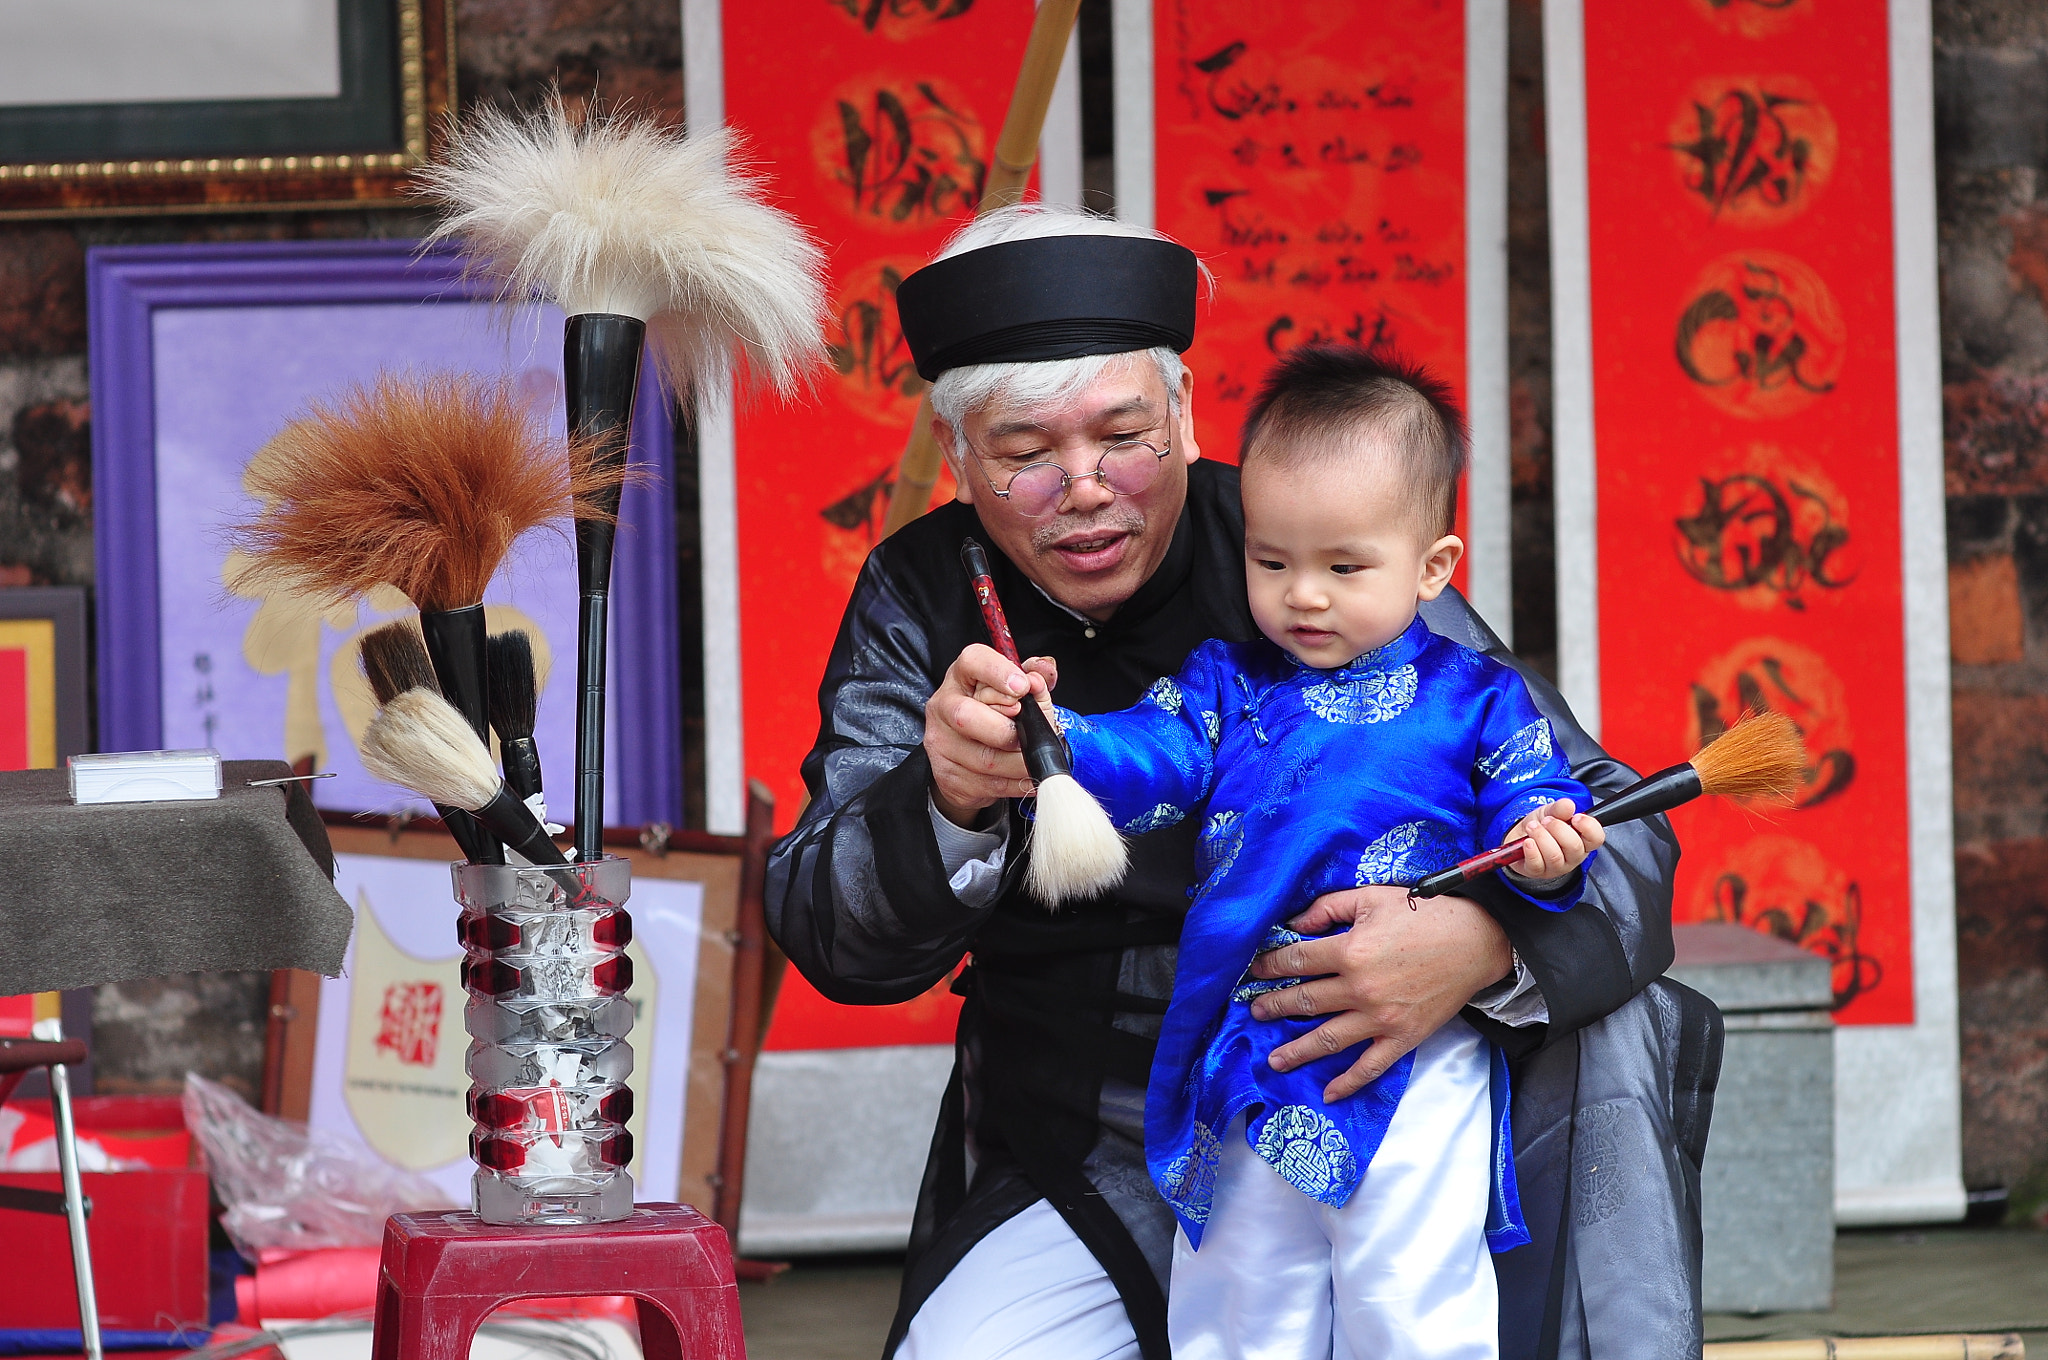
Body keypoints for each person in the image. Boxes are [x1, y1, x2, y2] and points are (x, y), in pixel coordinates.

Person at [763, 204, 1720, 1360]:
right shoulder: (921, 593)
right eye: (1023, 455)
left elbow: (1612, 829)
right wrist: (948, 799)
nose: (1083, 487)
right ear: (958, 460)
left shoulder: (1302, 542)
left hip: (1375, 1067)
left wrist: (1478, 940)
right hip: (1097, 1127)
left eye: (1123, 434)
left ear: (1183, 413)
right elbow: (828, 927)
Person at [967, 347, 1608, 1358]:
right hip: (1247, 1040)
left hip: (1415, 1051)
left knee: (1408, 1297)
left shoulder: (1477, 697)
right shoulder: (1226, 681)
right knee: (1239, 1292)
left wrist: (1543, 848)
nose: (1302, 596)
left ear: (1431, 568)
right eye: (1272, 563)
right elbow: (1149, 753)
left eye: (1342, 568)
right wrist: (1060, 734)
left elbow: (1543, 801)